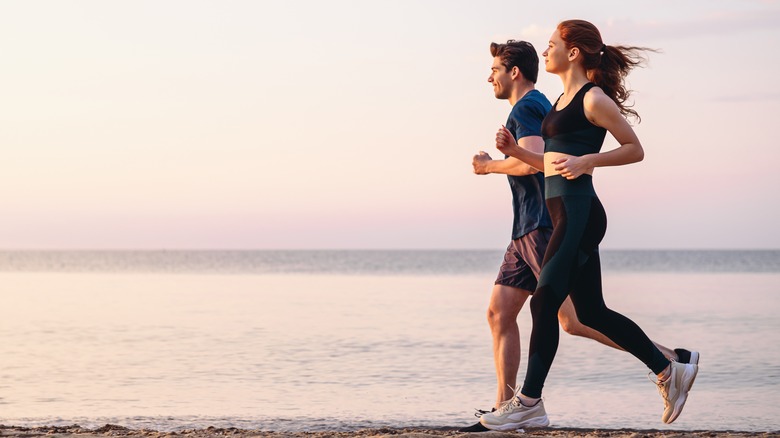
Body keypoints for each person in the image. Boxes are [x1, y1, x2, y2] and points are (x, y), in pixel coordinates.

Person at [462, 39, 698, 433]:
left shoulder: (583, 100)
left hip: (567, 217)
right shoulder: (556, 103)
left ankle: (528, 403)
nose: (546, 49)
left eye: (552, 43)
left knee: (554, 310)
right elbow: (548, 163)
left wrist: (494, 167)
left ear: (573, 52)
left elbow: (633, 149)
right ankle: (669, 367)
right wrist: (515, 154)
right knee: (585, 313)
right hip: (549, 217)